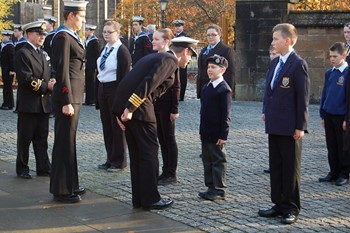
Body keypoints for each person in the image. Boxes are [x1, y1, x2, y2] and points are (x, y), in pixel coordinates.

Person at [112, 36, 199, 210]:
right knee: (149, 154)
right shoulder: (170, 60)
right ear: (186, 52)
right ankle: (151, 198)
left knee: (137, 155)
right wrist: (130, 108)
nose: (189, 61)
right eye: (190, 56)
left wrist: (119, 111)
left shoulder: (156, 57)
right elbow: (148, 83)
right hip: (140, 112)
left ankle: (139, 199)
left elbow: (128, 83)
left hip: (130, 109)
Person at [259, 23, 310, 224]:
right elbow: (269, 91)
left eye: (276, 39)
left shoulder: (298, 64)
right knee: (277, 166)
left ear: (287, 40)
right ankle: (278, 204)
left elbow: (302, 98)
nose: (273, 42)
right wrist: (266, 112)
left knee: (291, 168)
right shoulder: (275, 63)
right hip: (275, 123)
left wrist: (300, 126)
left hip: (290, 126)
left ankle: (291, 207)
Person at [50, 0, 88, 204]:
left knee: (69, 141)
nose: (83, 20)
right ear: (71, 15)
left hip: (74, 95)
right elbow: (62, 69)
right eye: (81, 17)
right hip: (68, 96)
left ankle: (70, 183)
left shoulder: (72, 36)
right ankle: (61, 190)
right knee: (64, 142)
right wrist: (66, 99)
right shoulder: (63, 37)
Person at [14, 21, 54, 179]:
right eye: (39, 34)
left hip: (43, 104)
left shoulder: (43, 54)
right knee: (25, 139)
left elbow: (50, 72)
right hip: (29, 104)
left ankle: (43, 167)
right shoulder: (23, 53)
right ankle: (22, 167)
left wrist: (53, 81)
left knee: (41, 138)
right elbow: (25, 77)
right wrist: (46, 87)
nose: (42, 37)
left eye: (43, 34)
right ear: (29, 34)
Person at [96, 21, 131, 172]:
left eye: (110, 32)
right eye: (104, 31)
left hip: (115, 89)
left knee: (116, 126)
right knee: (106, 125)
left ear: (117, 33)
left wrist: (122, 98)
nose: (106, 34)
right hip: (103, 88)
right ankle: (110, 158)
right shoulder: (105, 49)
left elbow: (125, 76)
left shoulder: (121, 50)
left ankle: (119, 161)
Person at [198, 55, 232, 201]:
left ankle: (219, 189)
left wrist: (223, 135)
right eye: (208, 67)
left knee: (218, 160)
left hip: (217, 132)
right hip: (207, 130)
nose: (209, 70)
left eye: (213, 67)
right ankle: (210, 186)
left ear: (222, 70)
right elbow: (203, 112)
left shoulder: (224, 90)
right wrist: (201, 130)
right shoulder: (207, 87)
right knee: (207, 160)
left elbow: (226, 115)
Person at [152, 28, 180, 185]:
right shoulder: (158, 57)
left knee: (169, 139)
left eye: (157, 39)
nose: (153, 41)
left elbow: (176, 86)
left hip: (167, 106)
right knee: (161, 139)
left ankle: (171, 173)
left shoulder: (170, 58)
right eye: (153, 39)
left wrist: (174, 109)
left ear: (166, 41)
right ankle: (165, 171)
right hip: (157, 105)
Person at [318, 42, 349, 186]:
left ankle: (344, 173)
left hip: (342, 116)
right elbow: (325, 94)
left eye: (335, 56)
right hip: (329, 114)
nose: (332, 59)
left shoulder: (347, 73)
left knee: (343, 146)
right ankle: (333, 171)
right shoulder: (329, 73)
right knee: (331, 145)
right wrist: (323, 114)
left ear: (344, 55)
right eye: (330, 56)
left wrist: (347, 119)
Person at [197, 25, 235, 99]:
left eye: (213, 35)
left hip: (217, 89)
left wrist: (227, 91)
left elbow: (230, 73)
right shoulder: (204, 50)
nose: (210, 37)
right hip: (204, 88)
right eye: (208, 35)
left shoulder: (226, 50)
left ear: (219, 35)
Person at [264, 45, 280, 174]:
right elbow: (267, 92)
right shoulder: (271, 68)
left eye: (275, 54)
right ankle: (274, 164)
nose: (273, 57)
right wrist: (264, 110)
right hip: (270, 110)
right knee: (272, 139)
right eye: (271, 54)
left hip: (281, 110)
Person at [84, 24, 100, 106]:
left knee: (92, 82)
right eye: (86, 30)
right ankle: (88, 99)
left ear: (92, 31)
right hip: (87, 63)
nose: (86, 31)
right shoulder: (86, 40)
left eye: (87, 30)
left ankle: (93, 99)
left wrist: (96, 65)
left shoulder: (95, 41)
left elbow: (97, 54)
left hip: (92, 64)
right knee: (88, 81)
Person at [173, 20, 188, 101]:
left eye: (179, 26)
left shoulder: (185, 37)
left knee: (182, 77)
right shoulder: (174, 36)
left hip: (182, 59)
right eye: (176, 26)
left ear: (182, 27)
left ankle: (181, 95)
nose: (177, 28)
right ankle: (177, 94)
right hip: (176, 59)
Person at [0, 30, 15, 110]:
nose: (2, 37)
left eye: (4, 36)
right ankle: (7, 103)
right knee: (6, 86)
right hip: (4, 68)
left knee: (8, 87)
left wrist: (12, 69)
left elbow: (12, 59)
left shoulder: (10, 46)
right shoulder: (4, 45)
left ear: (9, 37)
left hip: (9, 69)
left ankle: (8, 103)